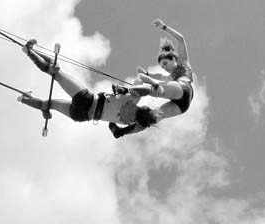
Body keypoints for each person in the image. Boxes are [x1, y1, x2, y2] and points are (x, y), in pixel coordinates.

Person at [17, 19, 194, 138]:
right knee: (155, 116)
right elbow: (143, 118)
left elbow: (181, 39)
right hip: (82, 116)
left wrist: (164, 28)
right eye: (162, 65)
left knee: (55, 72)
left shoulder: (183, 65)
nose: (164, 67)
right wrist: (121, 131)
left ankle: (30, 51)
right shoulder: (126, 119)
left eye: (166, 63)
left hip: (183, 89)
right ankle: (24, 99)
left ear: (174, 58)